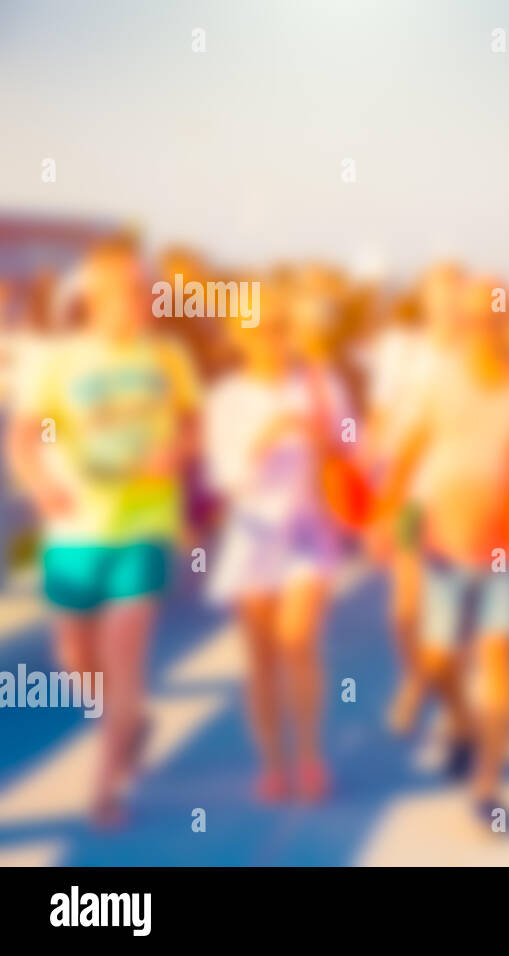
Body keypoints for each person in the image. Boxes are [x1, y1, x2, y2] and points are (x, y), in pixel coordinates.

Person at [6, 235, 200, 826]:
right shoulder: (59, 362)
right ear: (93, 298)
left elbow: (192, 424)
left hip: (142, 526)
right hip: (74, 530)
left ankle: (106, 787)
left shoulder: (167, 356)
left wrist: (178, 453)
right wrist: (39, 483)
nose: (139, 299)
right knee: (75, 657)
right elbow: (25, 434)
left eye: (144, 290)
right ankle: (129, 723)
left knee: (124, 656)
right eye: (126, 291)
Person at [379, 276, 509, 829]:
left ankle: (488, 786)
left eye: (493, 319)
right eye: (471, 320)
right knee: (440, 660)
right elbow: (409, 449)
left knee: (500, 657)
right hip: (445, 542)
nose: (481, 330)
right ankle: (464, 725)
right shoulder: (440, 378)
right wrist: (386, 515)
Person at [203, 272, 348, 802]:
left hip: (309, 529)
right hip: (253, 532)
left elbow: (352, 445)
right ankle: (272, 760)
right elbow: (222, 479)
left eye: (280, 326)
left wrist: (326, 438)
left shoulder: (320, 383)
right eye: (260, 328)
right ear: (238, 335)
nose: (272, 337)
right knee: (260, 655)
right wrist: (264, 442)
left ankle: (309, 754)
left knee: (298, 639)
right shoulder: (226, 398)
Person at [363, 263, 462, 735]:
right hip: (407, 492)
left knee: (452, 610)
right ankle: (417, 679)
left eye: (454, 295)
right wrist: (374, 499)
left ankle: (448, 706)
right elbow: (381, 422)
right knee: (404, 610)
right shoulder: (401, 353)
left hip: (460, 496)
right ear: (423, 300)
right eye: (437, 295)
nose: (446, 305)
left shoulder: (477, 356)